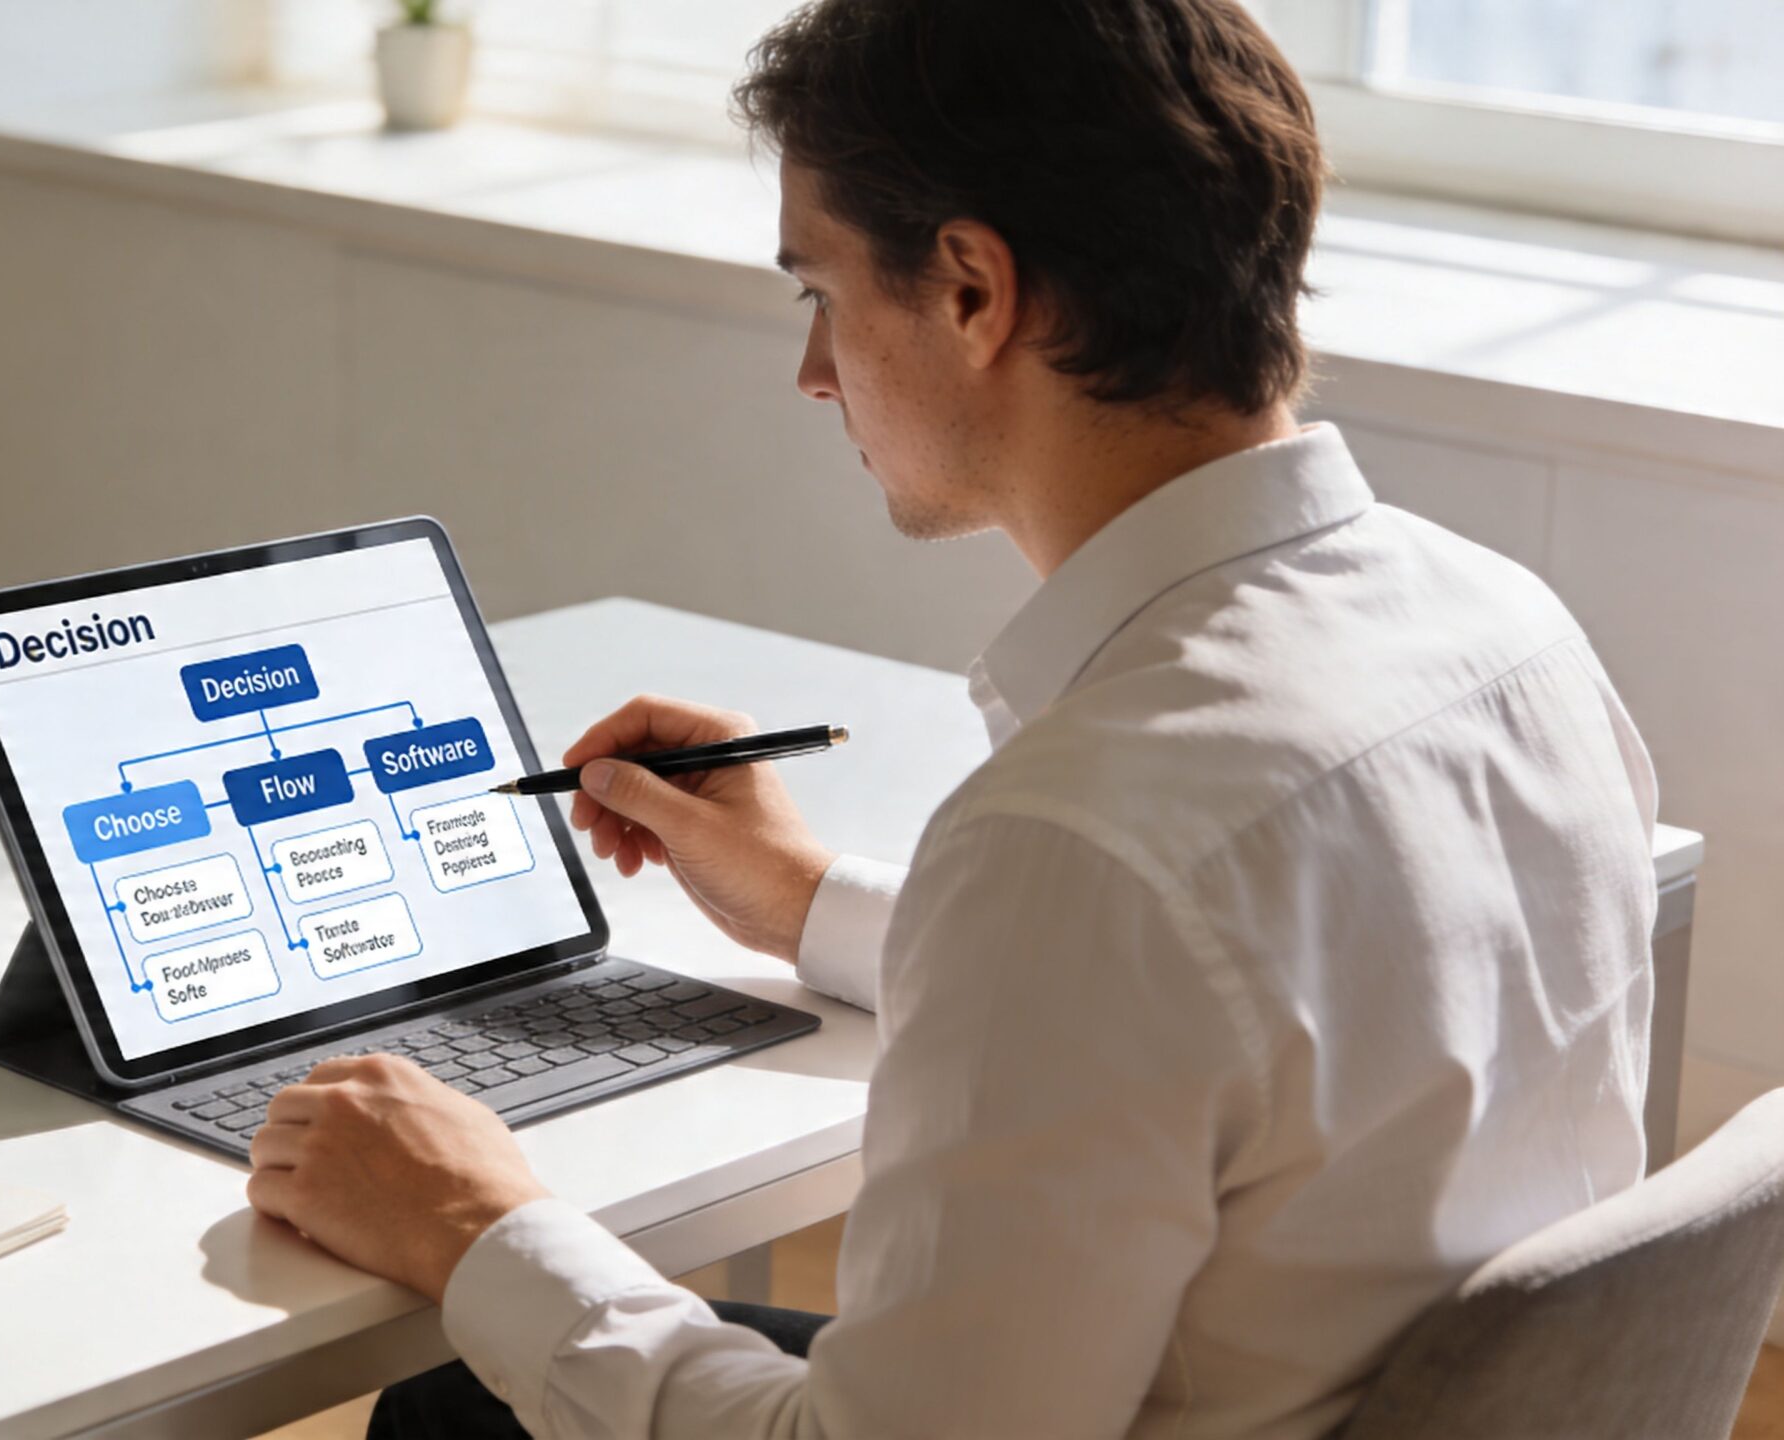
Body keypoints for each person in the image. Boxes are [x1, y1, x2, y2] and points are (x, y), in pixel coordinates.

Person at [245, 0, 1663, 1434]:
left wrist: (474, 1220)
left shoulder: (1086, 841)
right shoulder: (1509, 631)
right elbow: (1210, 1016)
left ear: (976, 289)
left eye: (821, 289)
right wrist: (811, 905)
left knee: (458, 1388)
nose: (812, 370)